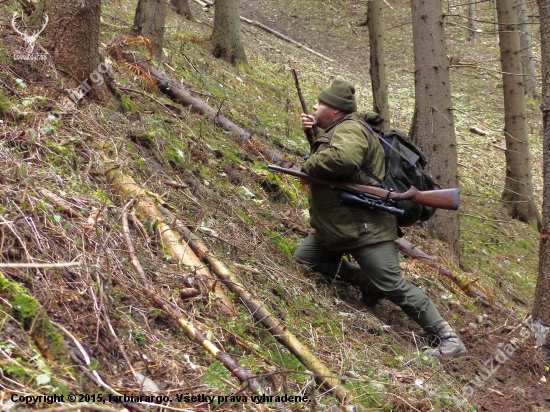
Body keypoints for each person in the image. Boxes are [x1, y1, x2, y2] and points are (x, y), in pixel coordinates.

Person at [294, 78, 467, 358]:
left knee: (393, 284)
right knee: (307, 257)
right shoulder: (341, 129)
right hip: (340, 224)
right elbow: (337, 159)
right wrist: (314, 133)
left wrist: (308, 164)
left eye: (320, 103)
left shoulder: (349, 129)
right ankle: (365, 281)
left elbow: (343, 160)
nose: (314, 106)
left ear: (335, 110)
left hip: (365, 227)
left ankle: (448, 338)